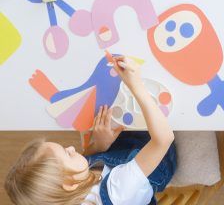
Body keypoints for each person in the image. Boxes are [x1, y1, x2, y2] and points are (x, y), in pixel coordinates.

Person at [4, 56, 176, 205]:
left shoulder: (68, 192)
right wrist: (136, 85)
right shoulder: (118, 190)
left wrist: (100, 145)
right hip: (158, 159)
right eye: (67, 153)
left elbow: (84, 164)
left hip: (121, 161)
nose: (72, 148)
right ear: (70, 184)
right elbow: (163, 140)